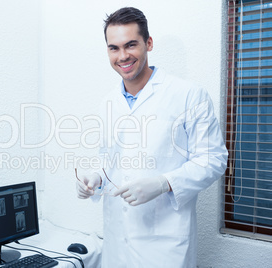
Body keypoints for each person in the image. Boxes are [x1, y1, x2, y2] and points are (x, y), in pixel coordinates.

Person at [76, 7, 228, 268]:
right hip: (116, 242)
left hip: (165, 245)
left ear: (149, 43)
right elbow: (111, 160)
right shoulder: (109, 102)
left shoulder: (189, 95)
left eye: (130, 45)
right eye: (114, 48)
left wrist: (163, 183)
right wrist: (96, 179)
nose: (122, 56)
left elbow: (213, 159)